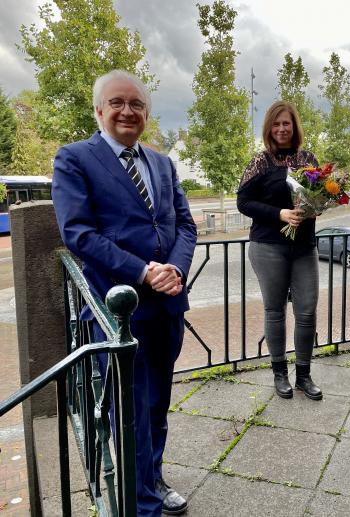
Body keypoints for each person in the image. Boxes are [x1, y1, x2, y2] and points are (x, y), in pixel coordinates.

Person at [52, 70, 196, 515]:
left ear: (147, 114)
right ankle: (143, 506)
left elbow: (185, 225)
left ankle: (151, 477)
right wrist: (143, 271)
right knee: (127, 411)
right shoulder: (74, 159)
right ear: (99, 110)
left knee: (157, 406)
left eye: (136, 104)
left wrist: (174, 269)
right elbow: (79, 234)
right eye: (117, 102)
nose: (127, 111)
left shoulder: (162, 163)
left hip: (167, 306)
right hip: (119, 315)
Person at [237, 100, 323, 401]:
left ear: (294, 126)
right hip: (269, 246)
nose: (282, 128)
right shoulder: (260, 162)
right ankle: (279, 373)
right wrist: (280, 214)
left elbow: (317, 195)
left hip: (304, 246)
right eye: (276, 124)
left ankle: (304, 374)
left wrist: (314, 207)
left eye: (286, 123)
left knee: (307, 310)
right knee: (275, 311)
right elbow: (243, 203)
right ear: (269, 129)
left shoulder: (307, 159)